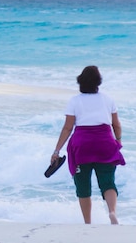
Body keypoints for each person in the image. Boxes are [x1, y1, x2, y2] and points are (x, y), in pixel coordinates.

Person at [51, 65, 126, 225]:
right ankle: (112, 212)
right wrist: (118, 141)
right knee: (108, 182)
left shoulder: (74, 101)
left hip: (82, 145)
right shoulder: (108, 99)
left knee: (83, 185)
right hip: (105, 143)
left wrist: (57, 150)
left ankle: (88, 222)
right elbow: (116, 124)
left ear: (81, 82)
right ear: (98, 82)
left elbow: (67, 128)